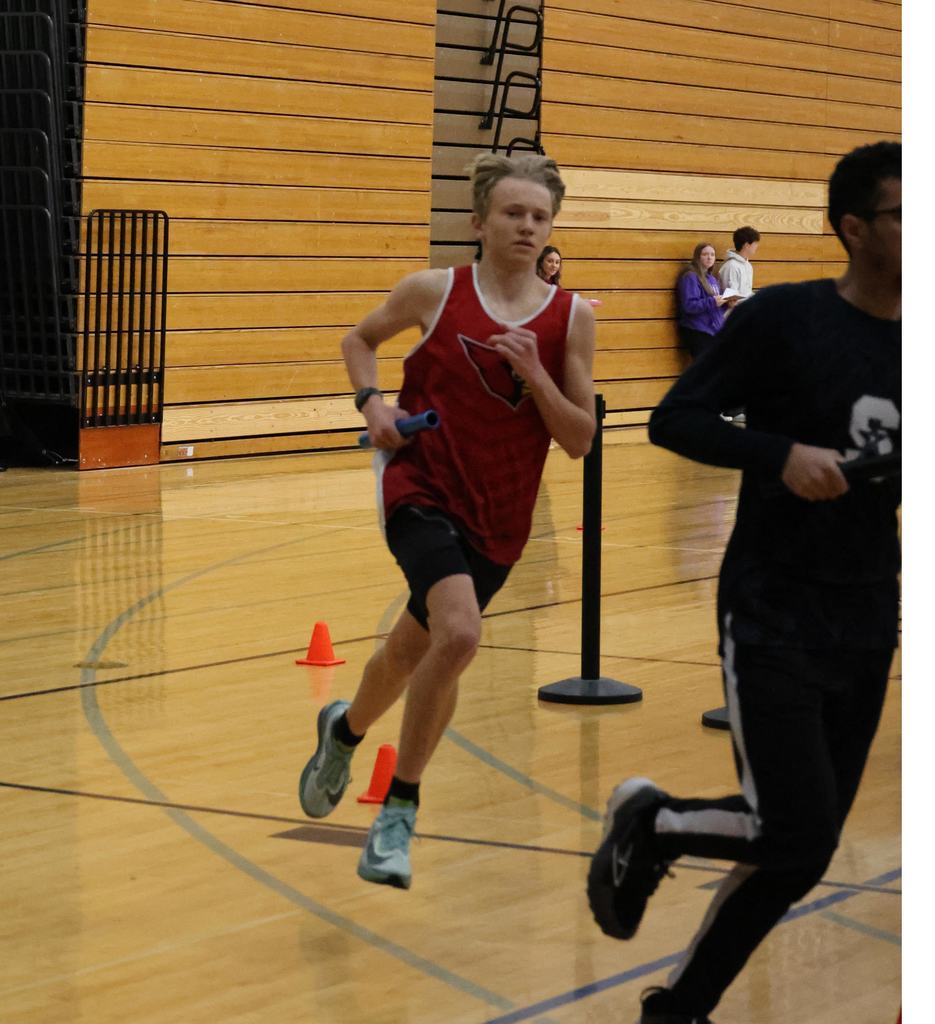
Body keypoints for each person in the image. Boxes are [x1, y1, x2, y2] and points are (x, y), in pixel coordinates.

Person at [587, 139, 900, 1024]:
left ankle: (678, 1009)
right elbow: (673, 418)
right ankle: (652, 825)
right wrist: (778, 455)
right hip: (770, 605)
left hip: (869, 609)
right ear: (853, 228)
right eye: (904, 214)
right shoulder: (786, 321)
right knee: (794, 831)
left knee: (800, 851)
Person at [298, 153, 596, 889]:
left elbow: (579, 438)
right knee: (460, 632)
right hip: (419, 485)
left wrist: (533, 371)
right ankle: (398, 812)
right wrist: (372, 404)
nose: (527, 227)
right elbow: (358, 341)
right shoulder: (434, 291)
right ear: (479, 221)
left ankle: (343, 731)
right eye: (513, 213)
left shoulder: (570, 319)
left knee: (410, 650)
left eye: (539, 217)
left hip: (501, 514)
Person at [676, 242, 737, 359]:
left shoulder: (712, 279)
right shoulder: (690, 277)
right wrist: (713, 302)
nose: (709, 257)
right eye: (705, 254)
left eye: (712, 255)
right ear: (698, 256)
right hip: (698, 330)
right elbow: (689, 305)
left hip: (712, 331)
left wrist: (726, 304)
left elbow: (713, 308)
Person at [718, 226, 761, 303]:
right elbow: (730, 300)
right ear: (747, 245)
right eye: (755, 243)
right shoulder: (731, 266)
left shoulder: (748, 265)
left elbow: (747, 293)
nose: (757, 246)